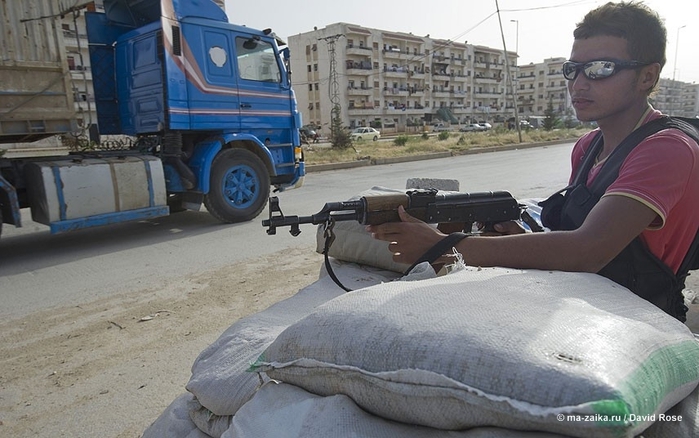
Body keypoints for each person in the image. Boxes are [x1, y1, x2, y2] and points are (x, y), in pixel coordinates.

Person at [367, 1, 699, 321]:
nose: (578, 84)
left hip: (642, 322)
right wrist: (518, 236)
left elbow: (588, 250)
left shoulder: (667, 147)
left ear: (647, 77)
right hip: (581, 306)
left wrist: (444, 245)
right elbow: (571, 234)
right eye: (573, 69)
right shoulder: (587, 147)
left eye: (600, 69)